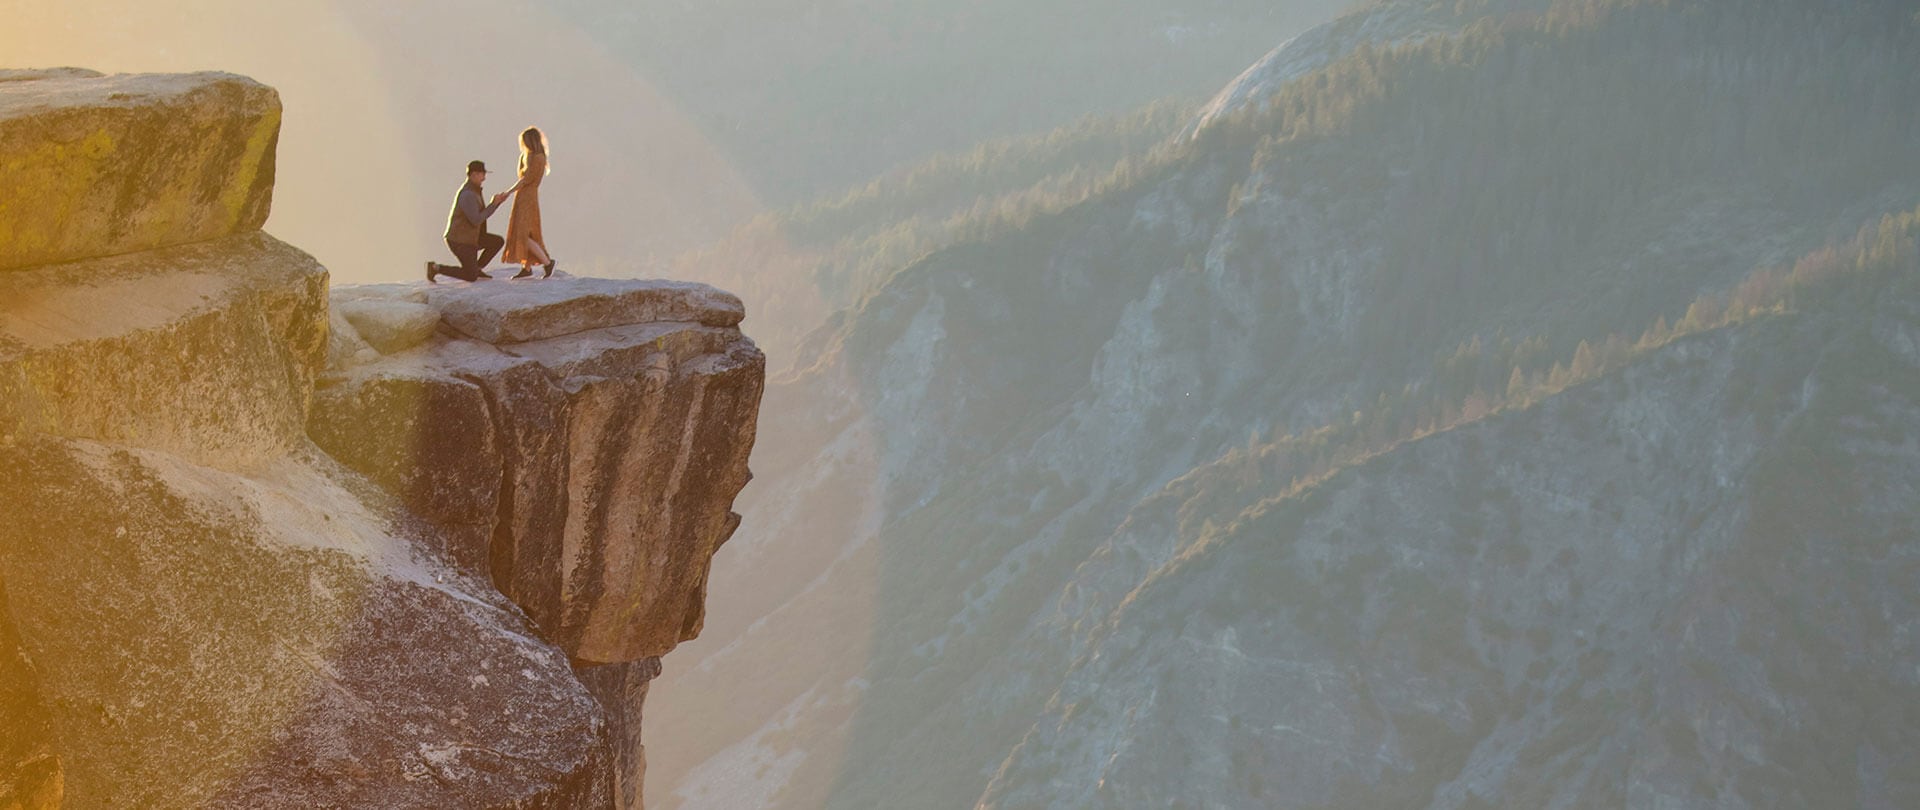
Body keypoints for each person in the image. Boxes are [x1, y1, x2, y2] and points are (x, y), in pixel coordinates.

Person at [428, 160, 511, 283]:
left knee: (497, 241)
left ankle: (476, 268)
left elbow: (480, 216)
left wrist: (496, 204)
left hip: (471, 238)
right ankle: (435, 268)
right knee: (471, 276)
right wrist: (493, 204)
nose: (484, 178)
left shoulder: (474, 191)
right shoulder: (468, 194)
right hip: (460, 241)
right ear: (474, 174)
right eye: (482, 174)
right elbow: (476, 220)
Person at [503, 126, 557, 279]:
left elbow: (525, 180)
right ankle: (526, 267)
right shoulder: (528, 156)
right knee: (525, 232)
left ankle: (548, 263)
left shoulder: (538, 158)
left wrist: (508, 192)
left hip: (528, 197)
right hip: (523, 196)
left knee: (524, 234)